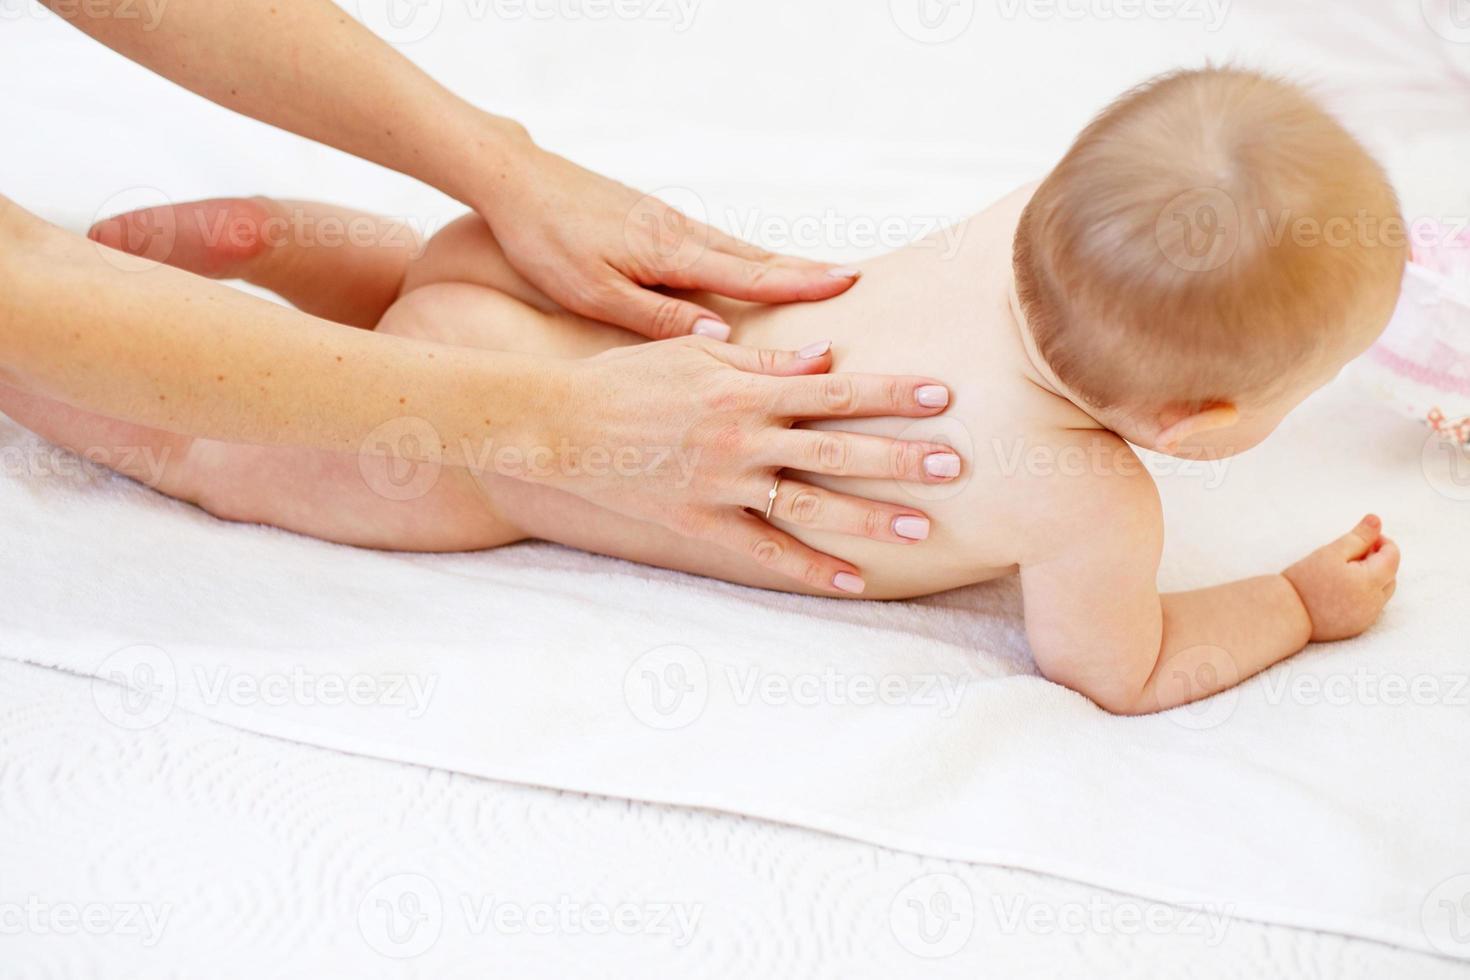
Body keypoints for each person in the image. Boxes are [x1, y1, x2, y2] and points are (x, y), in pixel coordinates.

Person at [2, 68, 1406, 712]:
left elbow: (1158, 199)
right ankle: (47, 341)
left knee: (443, 323)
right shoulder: (1092, 502)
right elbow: (1119, 668)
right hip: (470, 462)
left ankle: (281, 245)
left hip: (549, 279)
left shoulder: (1024, 217)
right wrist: (1288, 604)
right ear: (1197, 425)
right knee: (203, 447)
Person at [0, 0, 962, 591]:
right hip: (556, 302)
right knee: (214, 439)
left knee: (264, 419)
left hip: (509, 346)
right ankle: (275, 248)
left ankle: (277, 256)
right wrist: (562, 424)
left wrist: (505, 164)